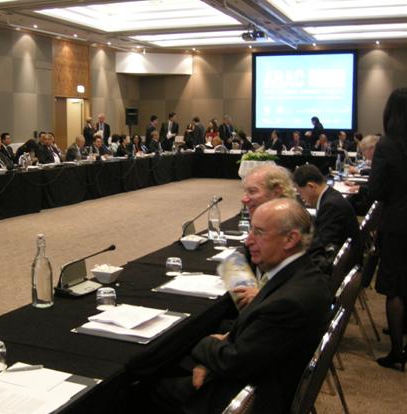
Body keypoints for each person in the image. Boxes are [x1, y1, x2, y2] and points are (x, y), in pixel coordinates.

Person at [150, 199, 332, 414]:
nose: (248, 240)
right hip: (260, 374)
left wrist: (205, 343)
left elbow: (233, 362)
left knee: (141, 383)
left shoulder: (289, 301)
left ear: (290, 239)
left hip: (246, 398)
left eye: (259, 232)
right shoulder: (300, 274)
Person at [368, 87, 407, 370]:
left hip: (397, 223)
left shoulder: (388, 144)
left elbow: (376, 190)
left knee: (395, 287)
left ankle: (396, 351)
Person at [293, 164, 360, 266]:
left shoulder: (330, 205)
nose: (301, 197)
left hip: (341, 264)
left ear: (311, 186)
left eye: (300, 192)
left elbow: (323, 245)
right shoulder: (330, 196)